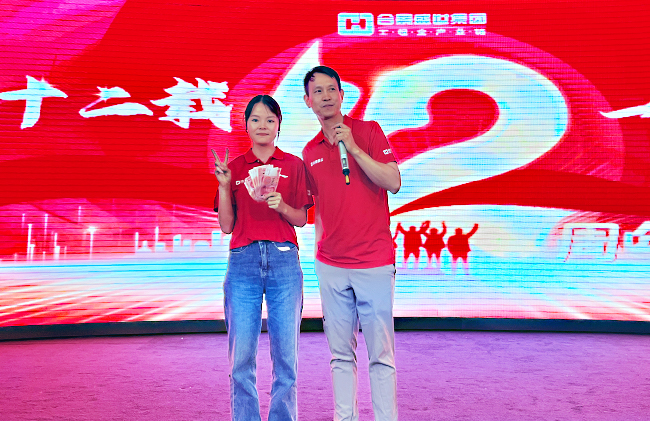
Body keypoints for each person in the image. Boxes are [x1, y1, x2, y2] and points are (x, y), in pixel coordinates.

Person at [301, 66, 401, 421]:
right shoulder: (309, 151)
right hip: (331, 266)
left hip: (374, 262)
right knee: (340, 355)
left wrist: (355, 149)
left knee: (381, 355)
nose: (326, 96)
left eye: (332, 89)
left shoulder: (369, 131)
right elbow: (315, 211)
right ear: (308, 101)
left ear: (342, 95)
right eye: (318, 91)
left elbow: (393, 181)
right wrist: (318, 259)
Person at [213, 95, 312, 421]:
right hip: (244, 261)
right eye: (255, 119)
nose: (262, 125)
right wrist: (224, 186)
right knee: (241, 358)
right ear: (246, 125)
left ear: (279, 125)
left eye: (270, 119)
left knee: (286, 358)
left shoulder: (293, 165)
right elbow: (226, 226)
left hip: (284, 261)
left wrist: (281, 205)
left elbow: (301, 219)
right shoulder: (235, 167)